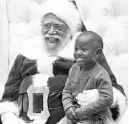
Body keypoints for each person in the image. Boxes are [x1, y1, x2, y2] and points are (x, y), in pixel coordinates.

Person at [0, 0, 127, 124]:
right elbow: (9, 96)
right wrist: (9, 116)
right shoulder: (27, 52)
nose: (51, 31)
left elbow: (115, 90)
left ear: (70, 29)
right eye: (47, 26)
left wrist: (99, 95)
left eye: (58, 26)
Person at [62, 31, 113, 124]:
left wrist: (82, 112)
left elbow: (107, 99)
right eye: (76, 49)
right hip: (74, 113)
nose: (78, 53)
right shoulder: (74, 68)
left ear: (97, 53)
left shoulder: (100, 74)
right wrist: (68, 107)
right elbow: (67, 90)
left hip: (96, 117)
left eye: (84, 49)